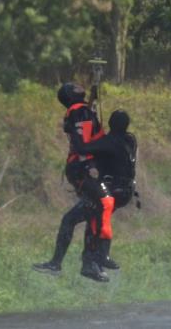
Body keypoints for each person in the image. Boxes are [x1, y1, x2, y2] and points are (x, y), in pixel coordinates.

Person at [32, 82, 110, 281]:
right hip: (83, 170)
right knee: (95, 210)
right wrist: (90, 165)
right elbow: (81, 141)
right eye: (74, 87)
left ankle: (70, 263)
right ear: (70, 95)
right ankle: (87, 263)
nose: (78, 85)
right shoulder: (77, 110)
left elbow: (88, 128)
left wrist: (92, 100)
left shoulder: (80, 110)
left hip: (81, 169)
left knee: (86, 214)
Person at [71, 109, 138, 273]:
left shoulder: (109, 142)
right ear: (126, 126)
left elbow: (82, 148)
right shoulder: (130, 140)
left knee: (91, 219)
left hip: (112, 190)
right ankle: (99, 257)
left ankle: (94, 260)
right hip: (126, 191)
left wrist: (75, 129)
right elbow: (104, 145)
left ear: (110, 123)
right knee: (98, 218)